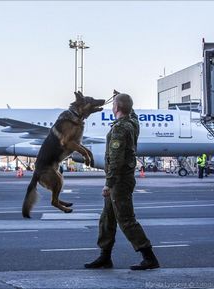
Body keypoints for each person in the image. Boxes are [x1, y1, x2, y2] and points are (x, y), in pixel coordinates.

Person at [84, 93, 159, 270]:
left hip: (119, 180)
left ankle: (149, 256)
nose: (111, 108)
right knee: (107, 219)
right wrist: (122, 98)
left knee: (126, 219)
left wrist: (108, 184)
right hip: (123, 178)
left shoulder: (120, 128)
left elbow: (116, 159)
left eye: (114, 105)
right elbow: (131, 112)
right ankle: (105, 256)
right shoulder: (133, 123)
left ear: (116, 108)